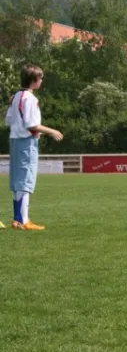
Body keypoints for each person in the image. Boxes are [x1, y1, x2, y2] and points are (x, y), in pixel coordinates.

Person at [5, 65, 63, 230]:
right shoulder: (30, 98)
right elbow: (32, 124)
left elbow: (9, 120)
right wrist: (51, 131)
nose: (42, 81)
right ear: (34, 80)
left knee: (17, 180)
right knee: (25, 179)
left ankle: (17, 219)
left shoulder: (16, 96)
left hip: (15, 140)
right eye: (40, 78)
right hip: (26, 142)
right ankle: (24, 220)